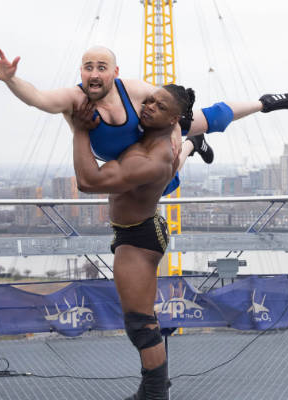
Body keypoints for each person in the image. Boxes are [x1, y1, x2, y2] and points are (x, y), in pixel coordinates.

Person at [0, 46, 288, 194]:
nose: (94, 74)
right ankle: (195, 147)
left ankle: (264, 103)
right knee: (162, 184)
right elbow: (37, 98)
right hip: (128, 157)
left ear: (115, 72)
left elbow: (172, 101)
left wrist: (179, 131)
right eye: (88, 67)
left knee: (209, 118)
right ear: (81, 71)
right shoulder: (74, 98)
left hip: (154, 130)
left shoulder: (133, 89)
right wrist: (10, 80)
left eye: (101, 67)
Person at [71, 83, 195, 399]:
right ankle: (150, 390)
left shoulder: (152, 158)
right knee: (143, 319)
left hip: (139, 238)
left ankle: (155, 394)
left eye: (160, 106)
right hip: (137, 231)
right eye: (149, 100)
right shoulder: (147, 136)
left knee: (141, 324)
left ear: (173, 119)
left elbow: (88, 182)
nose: (149, 105)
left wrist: (80, 130)